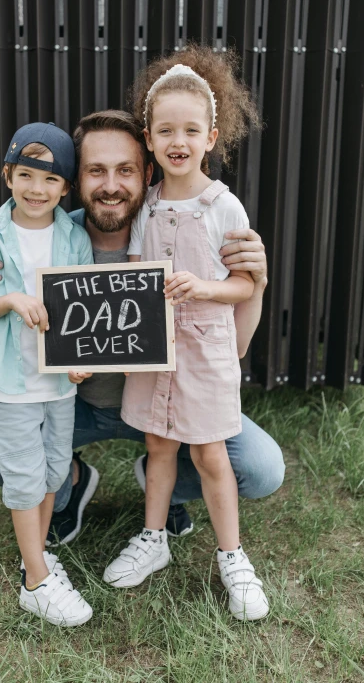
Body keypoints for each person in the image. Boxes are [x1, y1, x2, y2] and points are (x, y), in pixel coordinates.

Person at [0, 110, 284, 550]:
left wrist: (255, 286)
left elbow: (237, 346)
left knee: (261, 467)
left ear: (147, 172)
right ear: (75, 179)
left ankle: (162, 485)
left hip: (165, 405)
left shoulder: (180, 236)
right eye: (96, 171)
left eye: (125, 170)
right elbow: (1, 337)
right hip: (69, 406)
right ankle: (67, 481)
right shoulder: (44, 237)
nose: (111, 185)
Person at [103, 46, 269, 621]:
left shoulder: (222, 206)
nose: (179, 140)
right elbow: (132, 269)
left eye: (191, 130)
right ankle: (153, 540)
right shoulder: (144, 205)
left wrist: (204, 288)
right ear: (148, 138)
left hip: (203, 350)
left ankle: (233, 557)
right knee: (158, 447)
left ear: (212, 136)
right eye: (166, 129)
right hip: (154, 348)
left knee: (211, 453)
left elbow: (245, 285)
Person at [0, 122, 94, 627]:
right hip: (12, 385)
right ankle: (36, 581)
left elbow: (82, 310)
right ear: (7, 177)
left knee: (53, 472)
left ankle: (33, 554)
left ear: (66, 188)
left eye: (50, 180)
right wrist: (12, 300)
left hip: (58, 382)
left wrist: (81, 357)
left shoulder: (73, 237)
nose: (36, 190)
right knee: (23, 478)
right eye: (25, 176)